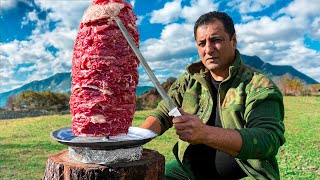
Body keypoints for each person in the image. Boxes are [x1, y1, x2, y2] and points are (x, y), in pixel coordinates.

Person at [141, 11, 285, 180]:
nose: (208, 49)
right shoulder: (189, 81)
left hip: (245, 175)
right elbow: (163, 113)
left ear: (233, 41)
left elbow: (267, 140)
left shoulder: (258, 86)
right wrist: (132, 142)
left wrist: (205, 133)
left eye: (216, 40)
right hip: (188, 171)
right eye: (202, 43)